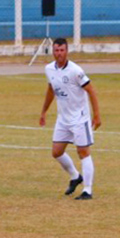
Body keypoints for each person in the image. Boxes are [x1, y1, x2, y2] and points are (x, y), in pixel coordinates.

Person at [38, 38, 100, 200]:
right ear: (53, 51)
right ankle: (75, 176)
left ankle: (87, 190)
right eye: (56, 50)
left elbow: (91, 91)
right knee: (57, 152)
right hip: (63, 118)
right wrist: (44, 111)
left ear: (67, 51)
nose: (59, 54)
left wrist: (97, 115)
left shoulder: (76, 71)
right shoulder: (49, 69)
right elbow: (51, 89)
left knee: (83, 152)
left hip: (80, 118)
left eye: (62, 50)